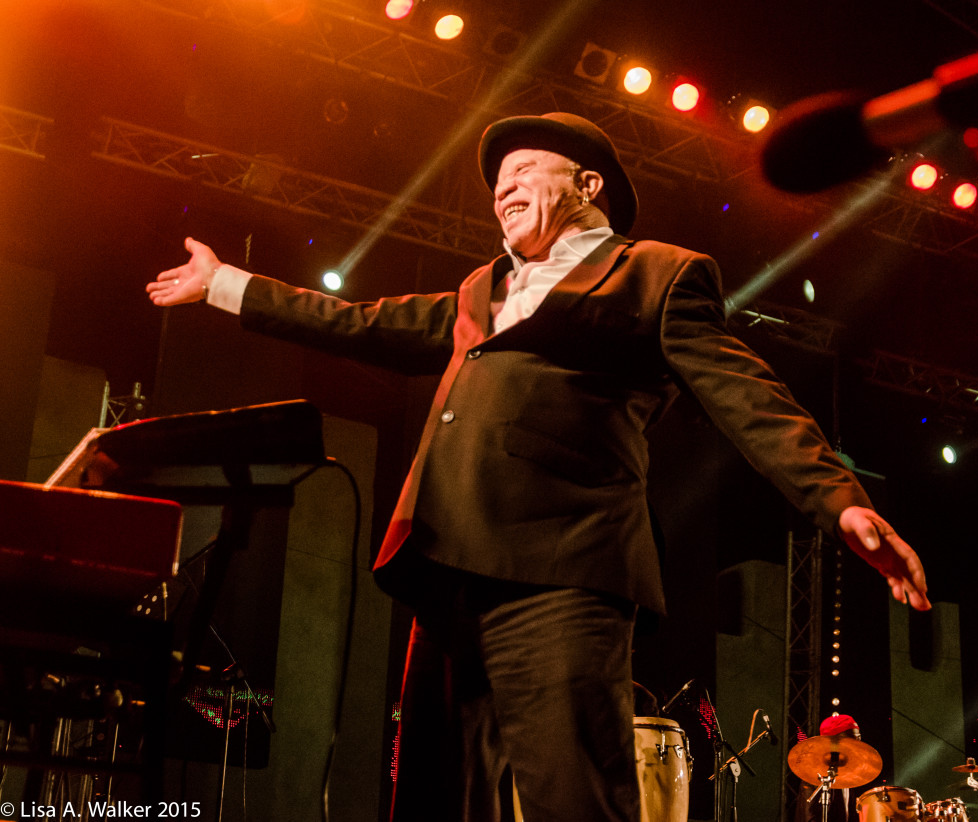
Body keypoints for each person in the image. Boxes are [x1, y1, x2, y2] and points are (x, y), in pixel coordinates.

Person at [147, 112, 930, 822]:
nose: (502, 190)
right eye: (494, 184)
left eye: (523, 171)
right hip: (446, 568)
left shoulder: (657, 273)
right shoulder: (477, 289)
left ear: (587, 185)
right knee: (434, 797)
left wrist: (838, 501)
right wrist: (223, 282)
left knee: (571, 795)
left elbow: (747, 395)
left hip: (564, 569)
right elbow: (359, 322)